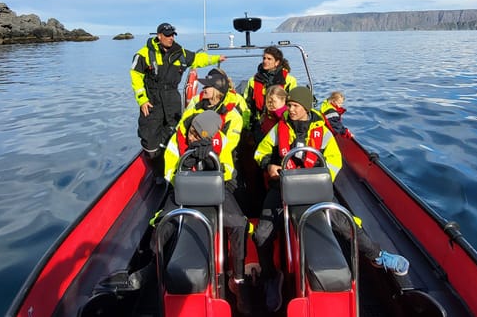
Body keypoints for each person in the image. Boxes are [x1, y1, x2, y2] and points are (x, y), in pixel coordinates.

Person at [253, 86, 409, 312]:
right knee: (261, 234)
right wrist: (269, 165)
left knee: (345, 223)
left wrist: (322, 178)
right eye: (289, 105)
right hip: (283, 187)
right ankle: (270, 277)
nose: (290, 109)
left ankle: (379, 256)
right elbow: (261, 151)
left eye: (295, 106)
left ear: (305, 107)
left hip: (315, 187)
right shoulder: (279, 129)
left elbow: (335, 160)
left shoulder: (322, 131)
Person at [160, 107, 250, 314]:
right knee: (162, 228)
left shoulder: (222, 141)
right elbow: (168, 174)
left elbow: (228, 172)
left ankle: (237, 277)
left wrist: (211, 162)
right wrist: (188, 162)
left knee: (239, 223)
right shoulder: (177, 140)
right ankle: (155, 274)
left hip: (214, 190)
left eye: (197, 136)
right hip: (182, 192)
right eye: (191, 132)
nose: (192, 138)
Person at [130, 22, 226, 182]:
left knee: (174, 133)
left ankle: (176, 171)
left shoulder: (179, 52)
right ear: (159, 36)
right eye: (167, 35)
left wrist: (216, 58)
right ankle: (158, 171)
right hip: (152, 100)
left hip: (172, 98)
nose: (171, 38)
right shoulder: (144, 54)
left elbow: (197, 59)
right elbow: (135, 76)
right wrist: (142, 100)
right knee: (150, 139)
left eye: (173, 35)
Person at [243, 46, 297, 138]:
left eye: (269, 59)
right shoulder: (253, 81)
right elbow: (247, 105)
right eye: (264, 58)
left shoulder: (289, 80)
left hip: (282, 121)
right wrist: (247, 127)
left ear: (277, 62)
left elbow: (294, 103)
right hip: (260, 124)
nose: (265, 61)